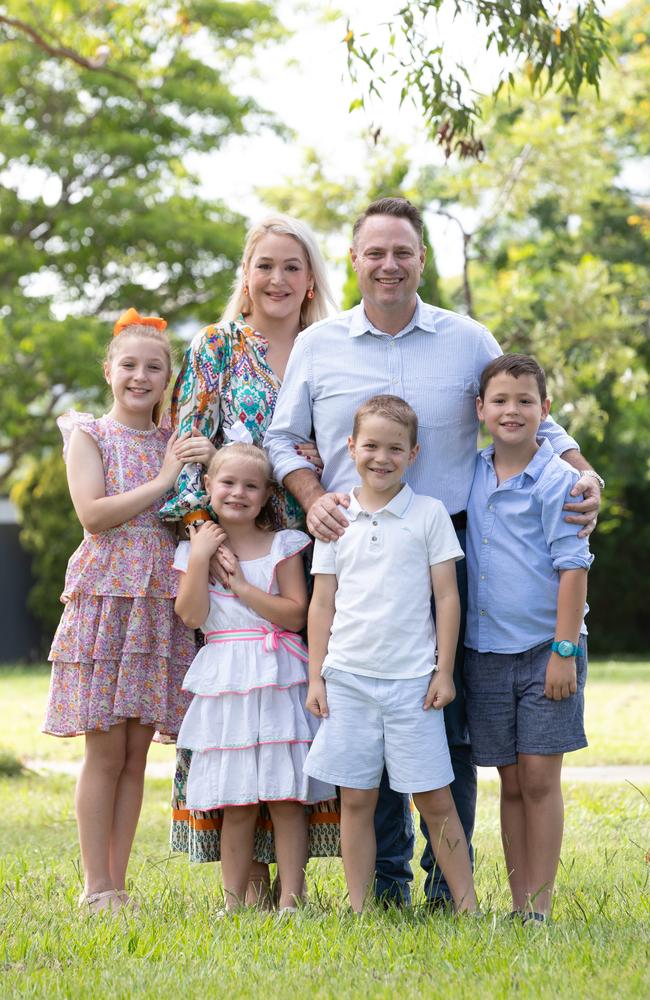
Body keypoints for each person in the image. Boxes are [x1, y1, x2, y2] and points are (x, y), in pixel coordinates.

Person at [265, 196, 604, 906]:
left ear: (422, 259)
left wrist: (581, 467)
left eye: (403, 252)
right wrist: (311, 491)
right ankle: (384, 885)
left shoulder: (466, 338)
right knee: (367, 715)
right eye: (375, 252)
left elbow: (526, 408)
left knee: (445, 722)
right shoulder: (320, 345)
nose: (390, 264)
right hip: (353, 549)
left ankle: (452, 891)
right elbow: (278, 438)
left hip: (449, 543)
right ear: (355, 260)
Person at [161, 215, 339, 900]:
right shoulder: (217, 346)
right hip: (239, 562)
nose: (278, 280)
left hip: (322, 546)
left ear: (311, 277)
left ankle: (319, 875)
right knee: (245, 715)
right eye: (265, 265)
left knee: (299, 714)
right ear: (247, 273)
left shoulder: (330, 345)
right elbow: (187, 459)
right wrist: (221, 550)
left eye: (292, 266)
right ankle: (249, 880)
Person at [43, 308, 197, 915]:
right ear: (109, 371)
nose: (140, 376)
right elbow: (94, 515)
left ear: (167, 378)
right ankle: (93, 883)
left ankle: (118, 883)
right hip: (108, 600)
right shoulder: (89, 434)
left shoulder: (174, 441)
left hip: (156, 604)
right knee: (104, 752)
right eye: (129, 365)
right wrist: (164, 480)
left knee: (136, 755)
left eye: (153, 368)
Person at [304, 396, 477, 913]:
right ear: (350, 447)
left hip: (412, 684)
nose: (381, 457)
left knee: (435, 799)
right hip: (349, 680)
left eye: (395, 448)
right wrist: (317, 677)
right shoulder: (336, 517)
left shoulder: (428, 515)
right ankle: (359, 909)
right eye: (371, 446)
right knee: (356, 799)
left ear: (414, 453)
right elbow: (322, 603)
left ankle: (468, 907)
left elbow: (447, 597)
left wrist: (444, 671)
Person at [173, 438, 335, 912]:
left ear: (267, 495)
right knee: (236, 800)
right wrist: (201, 555)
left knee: (286, 797)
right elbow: (191, 615)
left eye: (250, 486)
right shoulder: (192, 553)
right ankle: (233, 902)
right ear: (208, 487)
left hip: (279, 674)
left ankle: (292, 899)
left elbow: (294, 614)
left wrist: (241, 585)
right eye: (226, 483)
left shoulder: (282, 545)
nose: (237, 493)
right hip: (226, 677)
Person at [464, 354, 592, 922]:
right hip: (486, 652)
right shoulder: (469, 472)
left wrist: (564, 652)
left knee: (540, 779)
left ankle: (540, 906)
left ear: (545, 411)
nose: (511, 411)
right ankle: (518, 905)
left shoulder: (559, 480)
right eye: (500, 401)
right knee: (510, 781)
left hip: (549, 650)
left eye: (524, 401)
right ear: (480, 411)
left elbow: (574, 567)